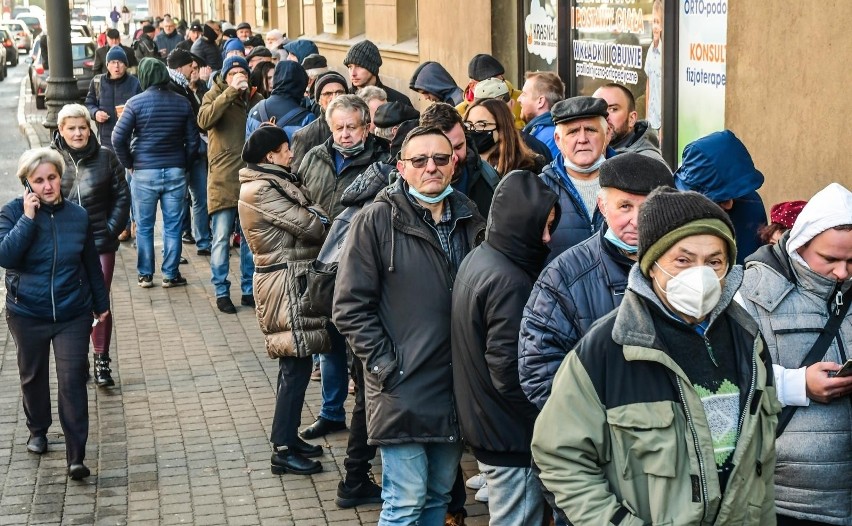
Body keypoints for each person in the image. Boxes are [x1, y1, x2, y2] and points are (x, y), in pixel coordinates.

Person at [531, 187, 779, 525]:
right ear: (651, 264)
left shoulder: (748, 341)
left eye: (714, 262)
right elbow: (560, 458)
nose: (701, 274)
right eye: (683, 259)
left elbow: (759, 471)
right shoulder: (606, 350)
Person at [333, 126, 486, 525]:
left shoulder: (470, 216)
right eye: (419, 160)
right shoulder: (376, 221)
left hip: (453, 388)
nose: (430, 167)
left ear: (454, 163)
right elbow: (349, 307)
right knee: (404, 501)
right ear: (402, 167)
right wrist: (386, 366)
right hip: (402, 387)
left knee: (438, 496)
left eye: (440, 158)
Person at [519, 153, 673, 410]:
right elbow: (540, 369)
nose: (636, 221)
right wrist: (599, 430)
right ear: (602, 206)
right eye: (625, 207)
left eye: (648, 208)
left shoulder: (685, 267)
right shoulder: (563, 276)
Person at [739, 183, 852, 526]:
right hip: (785, 500)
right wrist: (796, 383)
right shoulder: (750, 290)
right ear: (799, 244)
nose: (842, 273)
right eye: (830, 259)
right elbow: (724, 378)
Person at [452, 170, 557, 526]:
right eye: (540, 227)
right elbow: (511, 372)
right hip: (510, 436)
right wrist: (548, 419)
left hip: (487, 424)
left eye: (550, 227)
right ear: (518, 224)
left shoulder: (482, 257)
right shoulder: (510, 281)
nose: (546, 239)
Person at [0, 147, 111, 480]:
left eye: (52, 178)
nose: (47, 186)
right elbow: (6, 255)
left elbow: (90, 262)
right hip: (27, 312)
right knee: (32, 376)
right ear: (27, 184)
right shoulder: (10, 213)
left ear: (61, 177)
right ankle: (38, 429)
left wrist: (101, 303)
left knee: (73, 379)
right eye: (39, 181)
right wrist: (27, 219)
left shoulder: (77, 216)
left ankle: (76, 455)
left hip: (71, 312)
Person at [237, 125, 331, 476]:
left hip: (291, 278)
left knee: (298, 364)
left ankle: (289, 438)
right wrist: (319, 216)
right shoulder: (261, 189)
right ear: (270, 156)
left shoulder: (276, 181)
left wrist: (318, 215)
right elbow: (313, 225)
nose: (292, 153)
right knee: (294, 367)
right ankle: (281, 449)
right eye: (285, 148)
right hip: (284, 283)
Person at [297, 95, 389, 441]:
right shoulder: (315, 158)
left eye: (352, 127)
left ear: (367, 127)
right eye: (339, 128)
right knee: (330, 344)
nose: (346, 134)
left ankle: (371, 421)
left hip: (363, 268)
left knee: (363, 348)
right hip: (323, 266)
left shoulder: (381, 162)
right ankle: (331, 412)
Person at [51, 104, 130, 387]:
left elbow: (122, 196)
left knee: (99, 300)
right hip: (65, 246)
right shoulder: (51, 160)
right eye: (71, 128)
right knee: (73, 302)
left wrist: (110, 232)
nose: (78, 133)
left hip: (99, 244)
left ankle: (101, 359)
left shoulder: (106, 157)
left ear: (90, 128)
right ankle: (77, 359)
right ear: (60, 130)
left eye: (82, 127)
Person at [111, 58, 199, 288]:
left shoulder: (135, 103)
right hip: (175, 171)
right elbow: (193, 141)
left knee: (144, 225)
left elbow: (117, 138)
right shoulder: (182, 103)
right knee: (173, 225)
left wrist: (130, 163)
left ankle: (145, 275)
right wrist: (185, 164)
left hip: (144, 172)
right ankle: (170, 274)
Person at [197, 55, 263, 313]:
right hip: (223, 179)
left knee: (249, 240)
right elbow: (204, 120)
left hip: (250, 179)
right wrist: (229, 94)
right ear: (225, 76)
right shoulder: (213, 96)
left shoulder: (256, 100)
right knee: (221, 238)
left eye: (243, 72)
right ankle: (221, 291)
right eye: (233, 72)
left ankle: (249, 290)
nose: (239, 76)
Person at [675, 130, 767, 264]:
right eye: (720, 199)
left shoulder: (750, 203)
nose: (729, 204)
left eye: (735, 195)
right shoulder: (668, 213)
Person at [540, 96, 610, 261]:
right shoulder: (540, 189)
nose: (582, 139)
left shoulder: (628, 181)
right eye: (572, 132)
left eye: (591, 130)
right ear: (558, 140)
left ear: (607, 134)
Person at [420, 102, 500, 216]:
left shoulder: (489, 179)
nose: (454, 157)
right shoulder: (406, 192)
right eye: (444, 150)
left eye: (459, 147)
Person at [167, 49, 211, 256]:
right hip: (181, 154)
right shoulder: (172, 87)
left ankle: (203, 241)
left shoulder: (185, 88)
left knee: (199, 198)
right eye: (190, 66)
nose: (194, 69)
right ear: (180, 67)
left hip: (193, 153)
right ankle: (177, 252)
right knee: (179, 202)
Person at [463, 97, 546, 176]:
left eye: (481, 124)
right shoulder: (461, 166)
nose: (473, 129)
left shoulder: (526, 168)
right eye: (468, 124)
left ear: (501, 129)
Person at [84, 45, 142, 152]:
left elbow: (142, 109)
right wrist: (95, 113)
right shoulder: (97, 82)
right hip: (105, 141)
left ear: (125, 65)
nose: (116, 66)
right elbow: (89, 104)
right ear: (107, 65)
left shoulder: (135, 83)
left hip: (129, 141)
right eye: (112, 62)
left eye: (120, 62)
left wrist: (130, 114)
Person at [593, 82, 665, 163]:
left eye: (613, 109)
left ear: (631, 118)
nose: (605, 116)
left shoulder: (648, 162)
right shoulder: (584, 151)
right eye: (598, 110)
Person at [290, 71, 347, 171]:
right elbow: (297, 176)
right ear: (319, 100)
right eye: (328, 94)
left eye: (340, 92)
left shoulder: (359, 129)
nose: (334, 98)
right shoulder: (304, 136)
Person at [245, 60, 315, 138]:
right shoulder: (306, 118)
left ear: (276, 79)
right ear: (301, 84)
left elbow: (247, 147)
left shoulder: (255, 110)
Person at [457, 54, 524, 129]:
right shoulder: (458, 113)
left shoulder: (522, 100)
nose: (495, 85)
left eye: (498, 80)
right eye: (488, 83)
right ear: (472, 85)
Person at [344, 39, 413, 106]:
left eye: (359, 66)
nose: (353, 73)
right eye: (350, 67)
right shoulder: (344, 100)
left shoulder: (399, 102)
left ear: (372, 68)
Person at [518, 71, 564, 160]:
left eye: (524, 94)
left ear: (540, 101)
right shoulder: (538, 131)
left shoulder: (551, 137)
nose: (519, 99)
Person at [645, 0, 663, 132]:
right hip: (652, 121)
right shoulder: (651, 50)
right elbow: (649, 84)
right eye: (653, 22)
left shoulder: (665, 54)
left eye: (658, 22)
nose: (655, 27)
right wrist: (647, 118)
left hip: (661, 122)